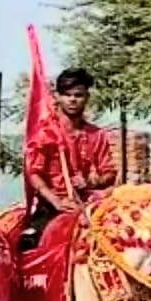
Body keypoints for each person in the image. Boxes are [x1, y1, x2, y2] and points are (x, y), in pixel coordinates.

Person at [22, 68, 117, 248]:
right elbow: (34, 174)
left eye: (78, 95)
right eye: (67, 94)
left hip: (88, 204)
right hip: (52, 204)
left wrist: (90, 182)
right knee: (29, 244)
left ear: (87, 97)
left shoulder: (96, 134)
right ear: (57, 97)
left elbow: (110, 173)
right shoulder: (47, 133)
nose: (73, 100)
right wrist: (56, 201)